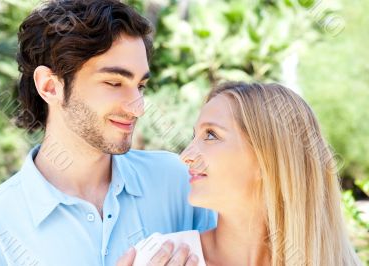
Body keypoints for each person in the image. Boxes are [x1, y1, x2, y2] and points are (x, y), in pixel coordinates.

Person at [0, 1, 216, 265]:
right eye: (114, 83)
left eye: (140, 85)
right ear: (50, 87)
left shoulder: (177, 182)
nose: (139, 107)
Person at [122, 82, 362, 265]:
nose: (186, 155)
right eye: (195, 135)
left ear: (266, 159)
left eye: (211, 135)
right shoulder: (161, 256)